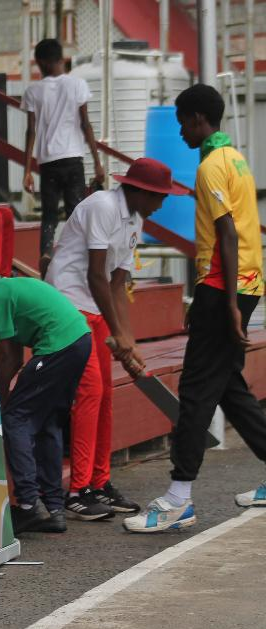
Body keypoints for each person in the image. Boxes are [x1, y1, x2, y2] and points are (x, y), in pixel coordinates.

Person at [125, 85, 266, 532]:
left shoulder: (210, 167)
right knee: (228, 387)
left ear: (199, 118)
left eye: (183, 122)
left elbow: (226, 234)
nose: (181, 132)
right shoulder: (236, 159)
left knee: (196, 390)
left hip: (227, 286)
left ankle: (178, 499)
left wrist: (224, 304)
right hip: (242, 282)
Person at [45, 157, 185, 522]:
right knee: (89, 391)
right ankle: (78, 491)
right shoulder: (103, 206)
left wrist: (129, 339)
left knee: (106, 393)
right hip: (68, 303)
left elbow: (118, 284)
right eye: (158, 197)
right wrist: (118, 333)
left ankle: (99, 482)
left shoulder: (136, 220)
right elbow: (95, 275)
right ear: (139, 191)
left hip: (96, 307)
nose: (162, 203)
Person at [0, 275, 92, 534]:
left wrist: (3, 401)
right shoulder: (9, 287)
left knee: (15, 419)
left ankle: (28, 504)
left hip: (57, 344)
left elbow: (5, 356)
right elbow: (14, 355)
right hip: (80, 338)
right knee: (48, 421)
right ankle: (54, 509)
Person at [21, 38, 104, 277]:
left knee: (49, 214)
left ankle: (46, 252)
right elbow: (86, 124)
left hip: (48, 162)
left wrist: (27, 170)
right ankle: (75, 258)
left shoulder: (33, 91)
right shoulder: (77, 84)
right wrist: (97, 162)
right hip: (73, 158)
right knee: (76, 212)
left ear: (41, 63)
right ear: (61, 59)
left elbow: (31, 131)